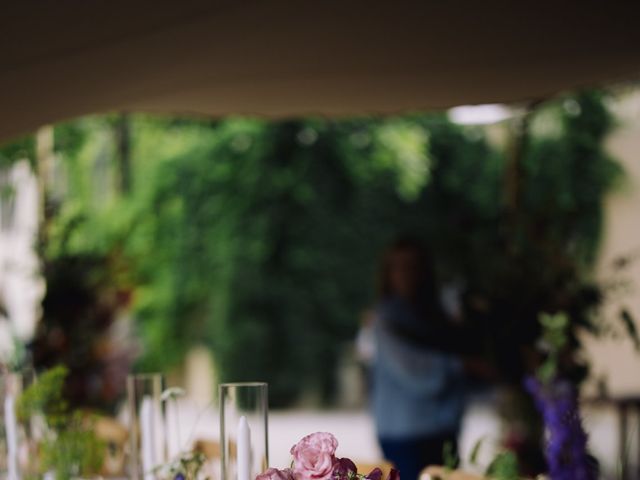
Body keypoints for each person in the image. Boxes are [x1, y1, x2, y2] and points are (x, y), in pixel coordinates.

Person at [371, 237, 467, 480]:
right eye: (399, 267)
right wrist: (464, 365)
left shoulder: (434, 316)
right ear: (388, 273)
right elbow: (417, 373)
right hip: (406, 434)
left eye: (413, 266)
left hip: (442, 429)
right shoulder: (386, 318)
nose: (407, 274)